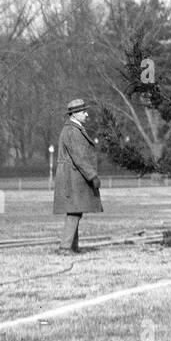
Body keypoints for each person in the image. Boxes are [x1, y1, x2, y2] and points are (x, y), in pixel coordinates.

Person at [53, 97, 103, 254]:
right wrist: (92, 176)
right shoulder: (73, 131)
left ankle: (71, 247)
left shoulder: (73, 129)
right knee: (74, 211)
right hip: (73, 178)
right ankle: (65, 247)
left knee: (75, 210)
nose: (87, 114)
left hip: (73, 177)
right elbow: (80, 157)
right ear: (74, 114)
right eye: (83, 112)